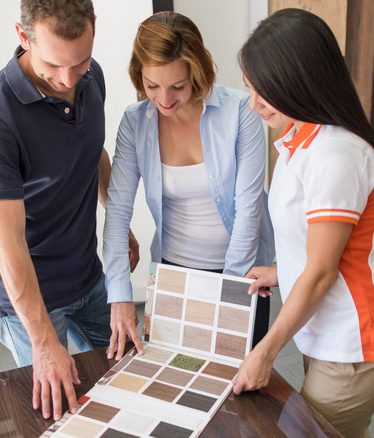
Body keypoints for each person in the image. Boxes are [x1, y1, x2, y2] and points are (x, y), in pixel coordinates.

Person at [231, 9, 374, 438]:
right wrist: (282, 272)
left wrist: (264, 353)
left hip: (358, 343)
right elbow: (322, 249)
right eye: (250, 89)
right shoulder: (300, 138)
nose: (254, 103)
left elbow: (320, 273)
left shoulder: (335, 156)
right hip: (329, 334)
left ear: (302, 82)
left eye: (267, 92)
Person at [0, 0, 137, 422]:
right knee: (60, 413)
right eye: (53, 65)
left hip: (86, 275)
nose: (66, 80)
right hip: (30, 299)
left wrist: (117, 221)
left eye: (79, 63)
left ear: (94, 29)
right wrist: (43, 343)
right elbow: (8, 247)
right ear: (23, 38)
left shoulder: (89, 77)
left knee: (135, 373)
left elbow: (89, 147)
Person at [103, 11, 274, 361]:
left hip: (240, 271)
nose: (164, 99)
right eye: (152, 86)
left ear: (196, 71)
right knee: (173, 375)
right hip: (171, 275)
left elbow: (248, 208)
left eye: (177, 86)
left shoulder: (240, 112)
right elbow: (117, 212)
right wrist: (119, 294)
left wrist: (230, 292)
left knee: (236, 384)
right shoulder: (135, 123)